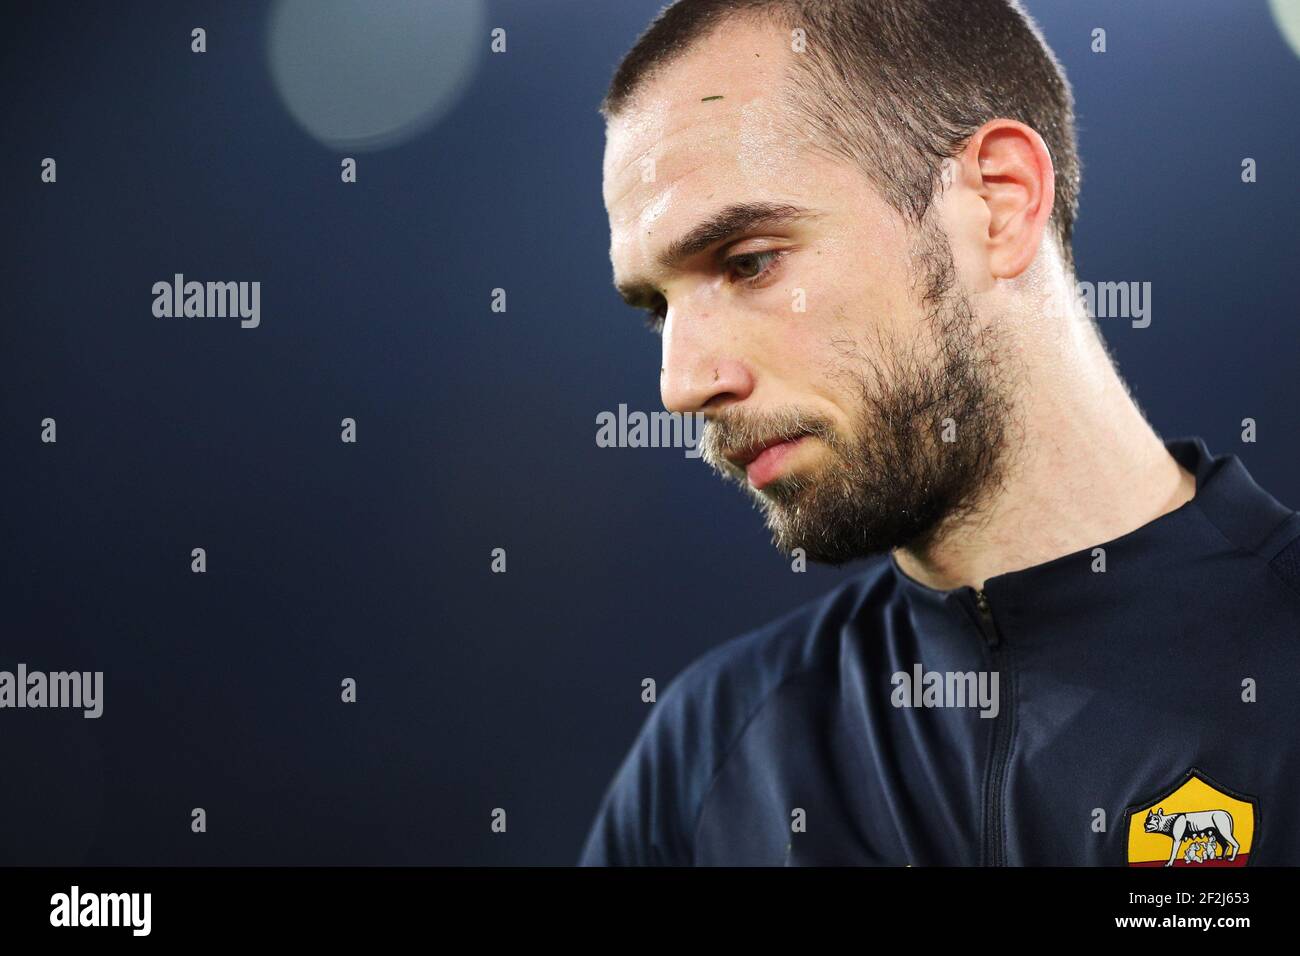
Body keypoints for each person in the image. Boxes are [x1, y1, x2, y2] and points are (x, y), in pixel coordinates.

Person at [581, 0, 1300, 865]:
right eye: (656, 307)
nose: (680, 384)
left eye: (748, 261)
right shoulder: (710, 756)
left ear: (997, 205)